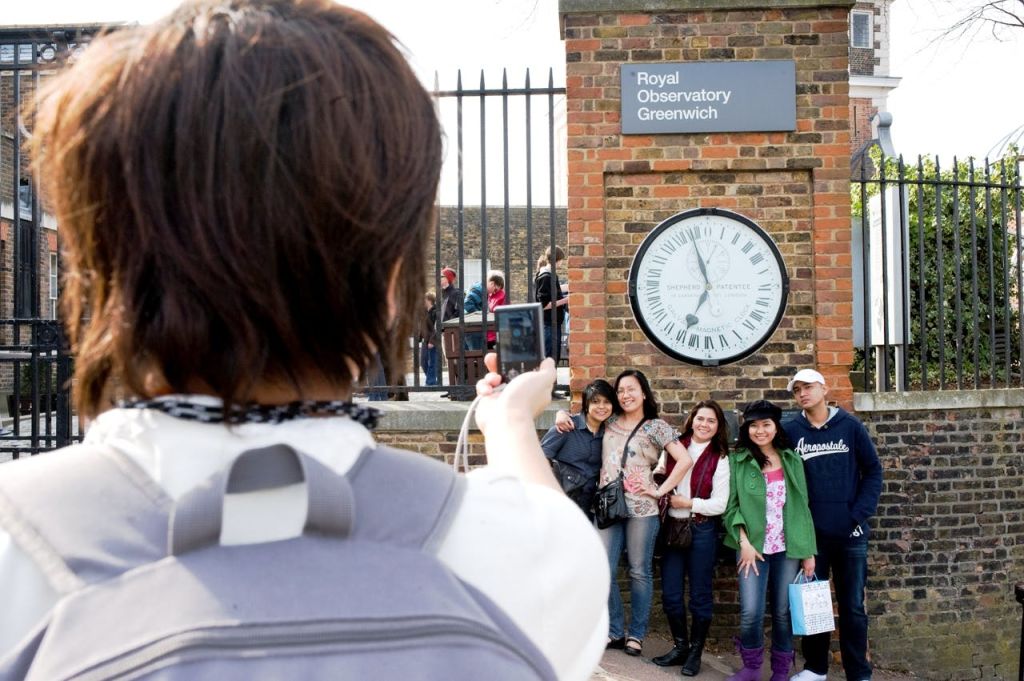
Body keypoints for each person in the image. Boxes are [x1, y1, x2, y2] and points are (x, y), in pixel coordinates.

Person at [0, 2, 609, 678]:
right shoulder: (524, 557)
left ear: (99, 266)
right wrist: (508, 424)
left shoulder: (16, 546)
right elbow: (550, 533)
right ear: (391, 284)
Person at [558, 369, 693, 658]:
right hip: (608, 505)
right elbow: (583, 418)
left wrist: (661, 491)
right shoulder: (610, 420)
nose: (625, 395)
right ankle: (616, 630)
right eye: (620, 391)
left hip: (642, 508)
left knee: (638, 571)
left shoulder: (657, 427)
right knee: (602, 568)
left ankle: (636, 635)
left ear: (644, 392)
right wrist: (560, 414)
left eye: (631, 389)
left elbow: (684, 460)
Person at [784, 369, 882, 681]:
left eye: (808, 386)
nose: (803, 393)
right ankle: (815, 669)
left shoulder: (849, 425)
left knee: (853, 606)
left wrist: (856, 516)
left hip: (851, 535)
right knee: (814, 605)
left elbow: (873, 472)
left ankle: (859, 672)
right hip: (812, 536)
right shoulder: (791, 430)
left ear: (824, 388)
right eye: (797, 389)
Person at [723, 400, 817, 681]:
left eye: (766, 424)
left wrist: (808, 552)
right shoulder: (737, 461)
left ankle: (780, 671)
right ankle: (751, 667)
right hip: (751, 549)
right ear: (747, 428)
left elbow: (802, 507)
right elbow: (731, 508)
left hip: (788, 549)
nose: (759, 430)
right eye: (754, 425)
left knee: (782, 611)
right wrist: (744, 543)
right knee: (751, 612)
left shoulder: (791, 459)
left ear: (776, 427)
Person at [652, 399, 731, 676]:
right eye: (700, 419)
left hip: (701, 530)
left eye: (711, 421)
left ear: (718, 426)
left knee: (699, 596)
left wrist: (690, 503)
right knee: (672, 595)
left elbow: (720, 504)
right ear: (692, 420)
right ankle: (680, 647)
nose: (704, 425)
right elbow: (659, 476)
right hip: (672, 529)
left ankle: (695, 652)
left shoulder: (720, 458)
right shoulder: (674, 446)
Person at [540, 379, 615, 519]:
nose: (602, 407)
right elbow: (539, 458)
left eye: (607, 402)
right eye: (596, 401)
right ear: (586, 404)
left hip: (589, 505)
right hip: (561, 503)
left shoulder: (609, 434)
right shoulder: (567, 426)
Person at [534, 246, 568, 363]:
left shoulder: (549, 275)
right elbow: (544, 305)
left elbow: (554, 291)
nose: (562, 262)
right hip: (549, 324)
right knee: (550, 359)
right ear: (558, 259)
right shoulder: (546, 277)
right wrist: (566, 300)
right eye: (562, 259)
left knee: (554, 357)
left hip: (553, 323)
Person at [419, 292, 440, 386]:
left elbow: (437, 327)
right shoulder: (424, 312)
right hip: (425, 340)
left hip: (433, 340)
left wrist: (432, 341)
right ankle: (432, 379)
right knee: (423, 362)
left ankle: (430, 382)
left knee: (432, 362)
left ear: (429, 300)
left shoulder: (436, 311)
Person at [485, 271, 506, 349]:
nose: (495, 291)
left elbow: (503, 314)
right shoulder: (491, 296)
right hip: (489, 334)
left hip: (496, 334)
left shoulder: (502, 296)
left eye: (496, 289)